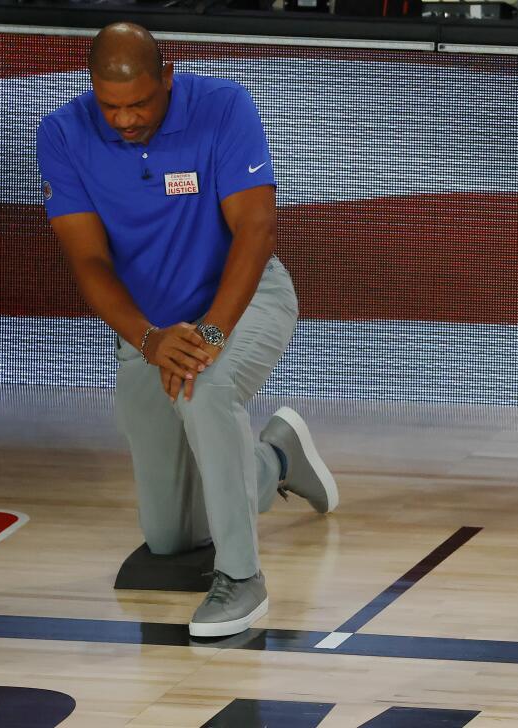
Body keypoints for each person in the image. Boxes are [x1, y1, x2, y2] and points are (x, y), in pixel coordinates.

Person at [35, 22, 338, 638]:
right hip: (149, 330)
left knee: (207, 390)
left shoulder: (223, 107)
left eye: (139, 103)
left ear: (167, 79)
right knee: (171, 539)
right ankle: (277, 457)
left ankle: (242, 579)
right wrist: (149, 340)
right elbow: (88, 262)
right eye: (110, 106)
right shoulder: (62, 133)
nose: (123, 120)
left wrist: (212, 338)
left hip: (244, 302)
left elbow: (256, 231)